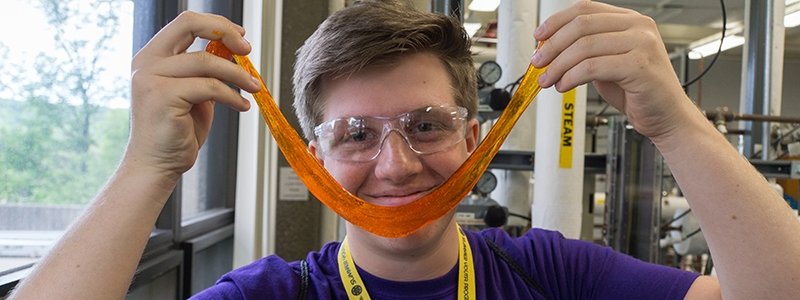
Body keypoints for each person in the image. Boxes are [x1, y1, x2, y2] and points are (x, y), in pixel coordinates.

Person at [10, 0, 800, 299]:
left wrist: (676, 126)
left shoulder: (555, 275)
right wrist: (146, 171)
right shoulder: (268, 298)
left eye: (426, 124)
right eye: (355, 134)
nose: (396, 166)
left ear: (475, 135)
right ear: (310, 155)